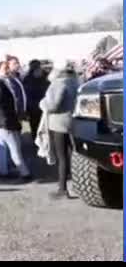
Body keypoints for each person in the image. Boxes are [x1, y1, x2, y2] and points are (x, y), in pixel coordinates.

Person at [40, 62, 79, 199]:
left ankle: (62, 189)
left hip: (59, 124)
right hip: (74, 122)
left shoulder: (58, 84)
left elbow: (53, 106)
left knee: (62, 157)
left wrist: (42, 103)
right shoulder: (76, 82)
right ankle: (78, 186)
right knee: (75, 155)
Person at [0, 60, 32, 181]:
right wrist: (5, 121)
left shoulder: (0, 82)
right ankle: (25, 173)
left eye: (7, 67)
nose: (7, 70)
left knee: (2, 148)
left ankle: (3, 171)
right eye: (4, 68)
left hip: (3, 122)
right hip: (5, 122)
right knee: (14, 148)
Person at [22, 59, 49, 136]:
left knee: (36, 127)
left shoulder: (28, 78)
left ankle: (38, 142)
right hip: (38, 106)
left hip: (35, 107)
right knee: (39, 127)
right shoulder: (44, 77)